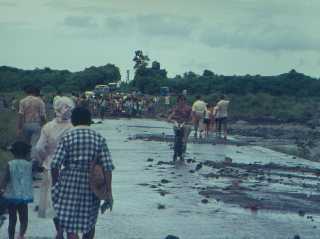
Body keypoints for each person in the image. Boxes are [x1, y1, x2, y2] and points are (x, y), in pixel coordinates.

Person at [51, 107, 114, 239]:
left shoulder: (67, 136)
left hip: (69, 182)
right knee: (90, 220)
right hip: (92, 184)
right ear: (89, 121)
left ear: (73, 121)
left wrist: (55, 184)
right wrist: (108, 190)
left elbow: (55, 164)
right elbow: (107, 167)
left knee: (70, 221)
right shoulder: (98, 138)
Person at [34, 97, 75, 238]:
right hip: (70, 168)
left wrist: (44, 160)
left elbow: (39, 147)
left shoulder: (47, 127)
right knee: (69, 202)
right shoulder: (74, 127)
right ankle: (68, 230)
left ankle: (59, 231)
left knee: (54, 203)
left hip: (50, 167)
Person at [0, 141, 33, 239]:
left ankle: (11, 237)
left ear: (13, 152)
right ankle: (21, 235)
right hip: (24, 196)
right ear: (26, 152)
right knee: (24, 219)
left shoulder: (10, 164)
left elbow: (5, 179)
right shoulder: (29, 165)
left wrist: (1, 189)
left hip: (11, 196)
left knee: (12, 219)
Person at [168, 95, 192, 162]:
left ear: (185, 101)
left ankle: (183, 153)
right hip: (177, 124)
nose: (182, 102)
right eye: (180, 100)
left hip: (186, 124)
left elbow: (191, 117)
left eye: (183, 100)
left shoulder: (189, 108)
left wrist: (188, 122)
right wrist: (173, 120)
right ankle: (175, 152)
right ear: (178, 101)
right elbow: (170, 117)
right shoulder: (175, 108)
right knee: (176, 138)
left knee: (184, 140)